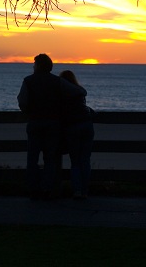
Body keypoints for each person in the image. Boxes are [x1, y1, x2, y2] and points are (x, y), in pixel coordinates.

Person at [17, 54, 85, 200]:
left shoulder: (28, 81)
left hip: (35, 122)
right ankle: (47, 188)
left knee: (32, 157)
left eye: (34, 64)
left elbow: (22, 101)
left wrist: (29, 112)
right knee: (50, 158)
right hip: (53, 124)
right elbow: (79, 92)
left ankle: (33, 189)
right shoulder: (57, 81)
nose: (33, 66)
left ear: (39, 65)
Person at [60, 70, 94, 200]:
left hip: (72, 127)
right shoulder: (80, 92)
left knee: (75, 162)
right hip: (87, 125)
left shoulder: (62, 94)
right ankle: (85, 191)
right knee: (85, 160)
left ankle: (77, 191)